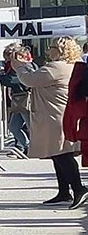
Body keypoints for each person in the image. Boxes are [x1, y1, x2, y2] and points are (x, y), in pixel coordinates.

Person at [17, 37, 84, 207]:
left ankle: (78, 189)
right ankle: (64, 192)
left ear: (60, 50)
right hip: (61, 114)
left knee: (62, 154)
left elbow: (29, 80)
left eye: (52, 47)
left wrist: (19, 66)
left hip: (56, 116)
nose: (48, 51)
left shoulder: (57, 67)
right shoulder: (72, 65)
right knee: (58, 153)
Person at [0, 44, 32, 155]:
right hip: (17, 99)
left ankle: (33, 148)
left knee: (30, 126)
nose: (8, 57)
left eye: (10, 54)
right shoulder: (11, 66)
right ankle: (26, 146)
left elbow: (13, 80)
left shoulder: (26, 66)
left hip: (26, 99)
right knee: (13, 126)